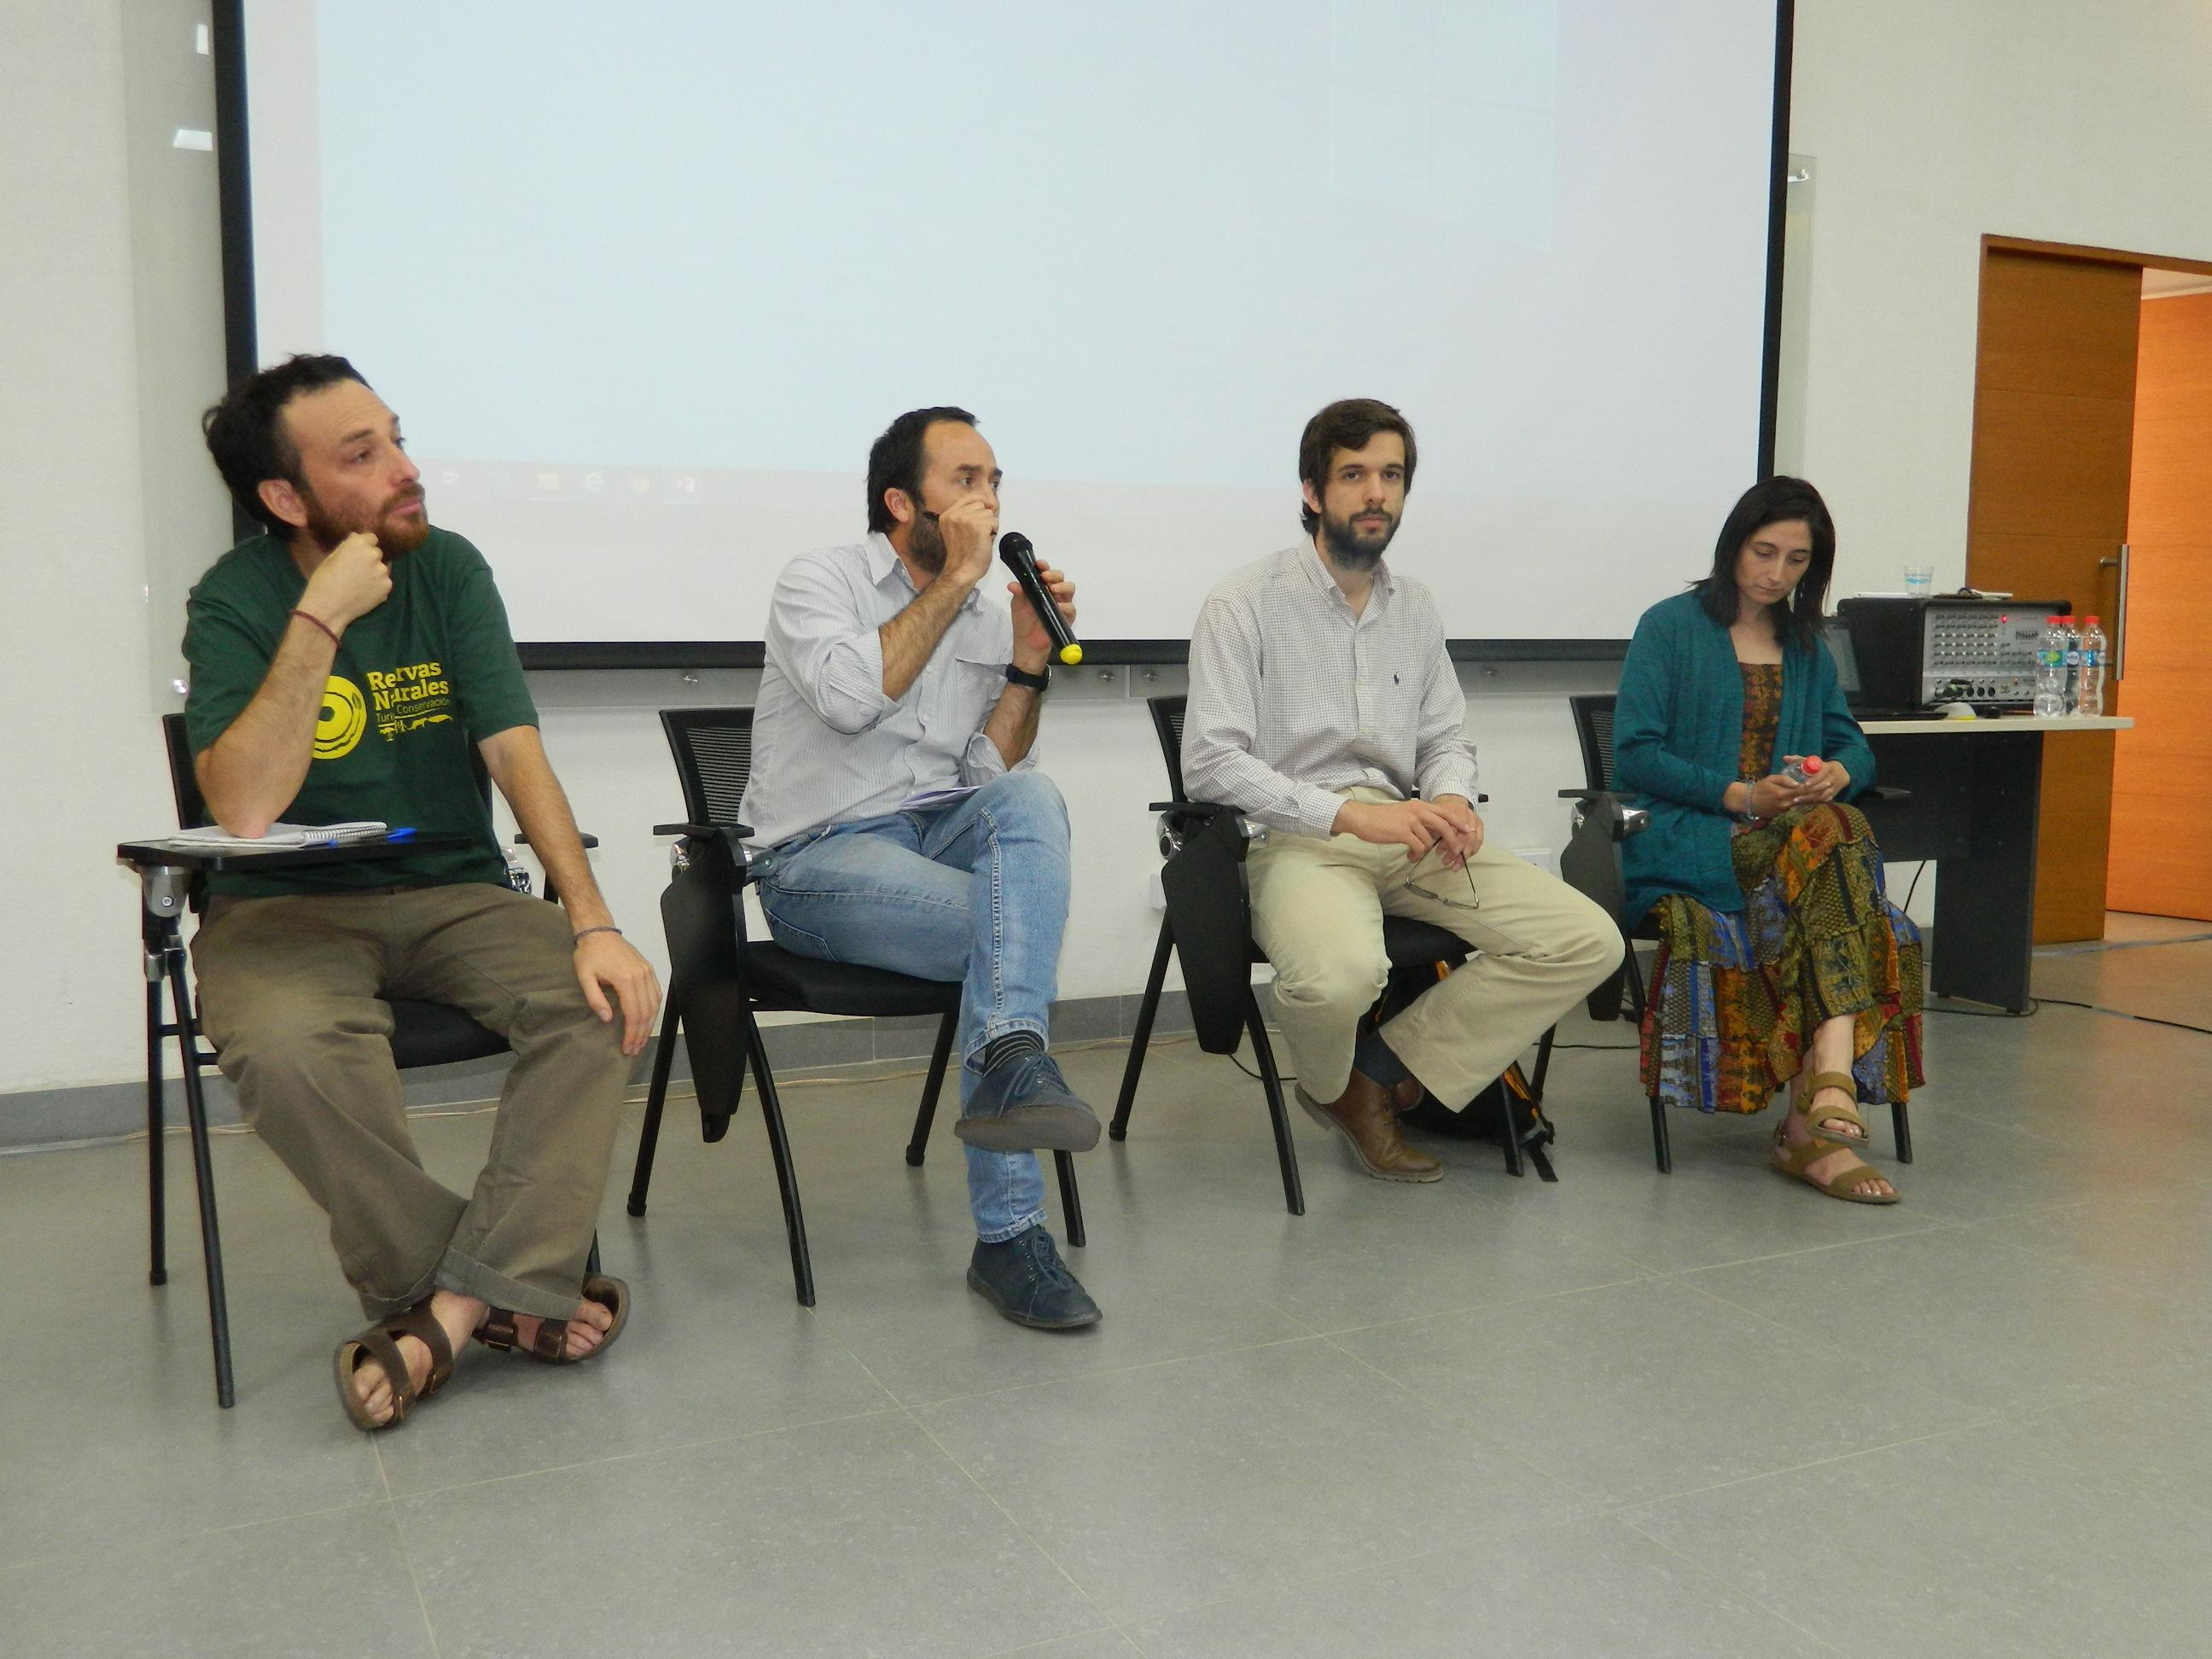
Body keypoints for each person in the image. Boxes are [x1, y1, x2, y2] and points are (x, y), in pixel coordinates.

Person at [186, 354, 661, 1429]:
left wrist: (593, 921)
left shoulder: (447, 568)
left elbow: (513, 744)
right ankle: (503, 1291)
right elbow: (246, 808)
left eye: (398, 437)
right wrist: (320, 618)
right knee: (287, 1050)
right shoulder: (233, 601)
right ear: (283, 497)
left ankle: (443, 1315)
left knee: (602, 1000)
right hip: (282, 912)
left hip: (455, 891)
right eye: (363, 455)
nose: (406, 468)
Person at [1182, 398, 1622, 1182]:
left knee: (1587, 940)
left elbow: (1445, 737)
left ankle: (1377, 1074)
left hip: (1413, 830)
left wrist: (1452, 796)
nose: (1375, 494)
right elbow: (1212, 765)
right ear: (1314, 492)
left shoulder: (1413, 605)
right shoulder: (1241, 603)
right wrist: (1346, 815)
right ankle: (1330, 1086)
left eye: (1391, 476)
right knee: (1337, 979)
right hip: (1301, 840)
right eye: (1353, 476)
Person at [742, 407, 1100, 1329]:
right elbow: (853, 698)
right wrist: (960, 583)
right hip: (819, 860)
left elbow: (988, 772)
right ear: (903, 502)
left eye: (995, 482)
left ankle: (1012, 1056)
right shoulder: (817, 581)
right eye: (966, 482)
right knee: (1010, 935)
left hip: (935, 831)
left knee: (1033, 800)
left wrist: (1026, 664)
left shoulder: (986, 613)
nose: (988, 500)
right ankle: (1013, 1236)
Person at [1612, 475, 1924, 1202]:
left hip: (1793, 848)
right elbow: (1636, 752)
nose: (1776, 573)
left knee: (1836, 823)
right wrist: (1738, 793)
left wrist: (1833, 774)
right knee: (1840, 847)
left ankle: (1818, 1104)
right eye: (1764, 551)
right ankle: (1825, 1096)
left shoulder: (1807, 647)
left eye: (1795, 560)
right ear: (1733, 545)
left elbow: (1855, 748)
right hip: (1694, 839)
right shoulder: (1670, 625)